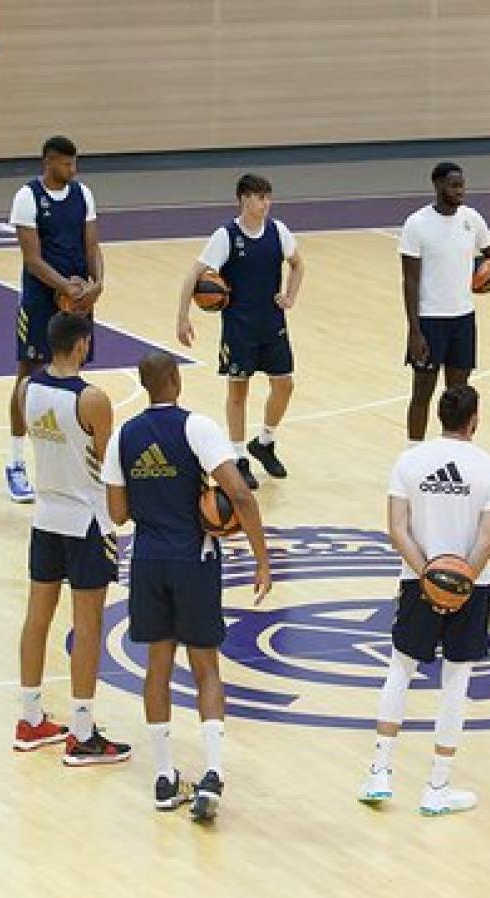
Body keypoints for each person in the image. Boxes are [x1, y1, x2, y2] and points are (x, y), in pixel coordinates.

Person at [102, 352, 270, 821]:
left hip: (149, 560)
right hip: (192, 560)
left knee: (157, 666)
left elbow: (117, 514)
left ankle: (163, 776)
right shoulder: (197, 427)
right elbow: (238, 493)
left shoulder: (123, 435)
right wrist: (261, 557)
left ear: (144, 384)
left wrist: (152, 496)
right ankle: (212, 772)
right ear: (175, 380)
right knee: (205, 668)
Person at [360, 384, 490, 815]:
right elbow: (488, 541)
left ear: (439, 416)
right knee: (456, 680)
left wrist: (428, 576)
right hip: (473, 587)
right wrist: (459, 582)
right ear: (474, 419)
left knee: (400, 669)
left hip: (416, 580)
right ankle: (437, 788)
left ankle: (379, 773)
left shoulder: (409, 461)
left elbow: (397, 529)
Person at [14, 312, 132, 766]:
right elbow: (109, 465)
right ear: (83, 344)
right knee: (87, 627)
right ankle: (82, 731)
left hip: (46, 514)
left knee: (36, 619)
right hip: (86, 520)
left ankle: (29, 719)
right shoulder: (93, 399)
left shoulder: (26, 389)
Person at [175, 173, 306, 490]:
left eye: (268, 197)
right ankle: (237, 458)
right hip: (239, 327)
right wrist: (182, 317)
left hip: (273, 323)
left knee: (285, 385)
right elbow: (194, 274)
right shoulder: (226, 236)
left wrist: (290, 296)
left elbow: (298, 264)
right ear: (244, 199)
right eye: (260, 197)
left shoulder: (279, 231)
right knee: (238, 392)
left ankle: (265, 441)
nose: (266, 203)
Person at [5, 135, 104, 504]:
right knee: (28, 374)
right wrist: (66, 288)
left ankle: (72, 458)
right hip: (41, 299)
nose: (73, 169)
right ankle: (16, 462)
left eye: (75, 163)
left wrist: (97, 285)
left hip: (77, 298)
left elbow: (92, 247)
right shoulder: (27, 197)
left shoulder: (84, 194)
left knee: (72, 371)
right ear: (49, 162)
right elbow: (32, 259)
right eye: (66, 163)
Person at [399, 162, 490, 442]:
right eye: (454, 185)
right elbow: (410, 282)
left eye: (462, 185)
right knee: (422, 393)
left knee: (458, 396)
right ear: (438, 185)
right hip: (430, 321)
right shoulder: (416, 224)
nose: (460, 191)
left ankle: (457, 449)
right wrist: (414, 331)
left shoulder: (472, 219)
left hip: (463, 320)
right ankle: (413, 453)